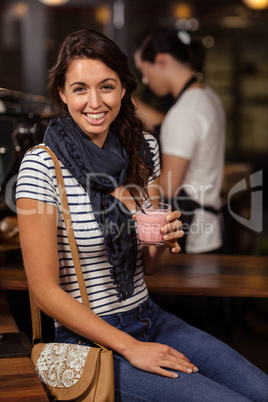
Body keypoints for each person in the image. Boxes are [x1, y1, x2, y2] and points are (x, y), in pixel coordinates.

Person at [16, 29, 268, 401]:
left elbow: (150, 266)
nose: (94, 101)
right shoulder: (41, 165)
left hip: (149, 316)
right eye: (80, 88)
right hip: (89, 341)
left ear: (123, 90)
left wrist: (164, 239)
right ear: (62, 94)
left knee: (261, 390)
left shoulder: (143, 148)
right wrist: (130, 347)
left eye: (107, 86)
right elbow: (44, 291)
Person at [134, 27, 226, 254]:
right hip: (210, 229)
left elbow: (169, 186)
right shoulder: (205, 96)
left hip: (194, 234)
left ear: (161, 61)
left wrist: (127, 191)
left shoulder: (185, 112)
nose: (146, 80)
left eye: (144, 72)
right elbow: (167, 124)